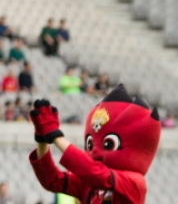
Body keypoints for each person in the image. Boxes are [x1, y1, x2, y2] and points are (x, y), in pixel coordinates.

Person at [28, 85, 161, 204]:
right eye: (90, 144)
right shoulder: (89, 184)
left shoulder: (134, 183)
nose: (95, 151)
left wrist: (56, 136)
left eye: (108, 144)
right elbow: (52, 181)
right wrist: (42, 141)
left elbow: (96, 173)